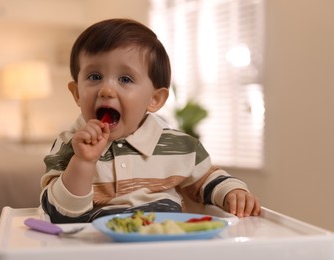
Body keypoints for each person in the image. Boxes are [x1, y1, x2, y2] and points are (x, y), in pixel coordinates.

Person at [40, 18, 261, 223]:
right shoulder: (70, 145)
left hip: (166, 241)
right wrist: (83, 162)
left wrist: (233, 192)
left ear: (154, 99)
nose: (106, 90)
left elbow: (208, 179)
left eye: (125, 79)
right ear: (77, 93)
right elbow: (60, 214)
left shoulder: (179, 146)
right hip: (97, 246)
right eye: (94, 77)